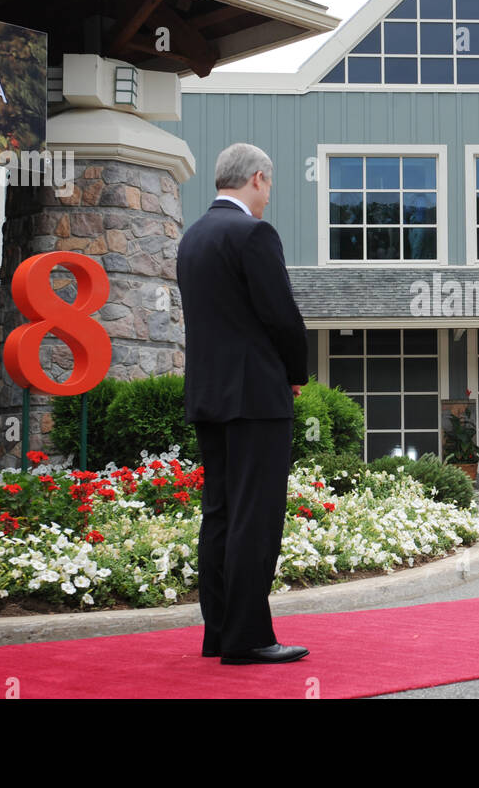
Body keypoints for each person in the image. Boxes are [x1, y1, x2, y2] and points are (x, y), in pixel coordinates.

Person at [177, 142, 310, 664]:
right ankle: (250, 637)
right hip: (256, 396)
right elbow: (281, 315)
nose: (269, 197)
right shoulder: (253, 233)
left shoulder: (193, 238)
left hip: (209, 395)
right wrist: (295, 373)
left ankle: (219, 634)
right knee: (255, 517)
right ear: (257, 178)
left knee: (221, 514)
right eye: (269, 186)